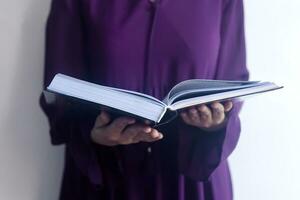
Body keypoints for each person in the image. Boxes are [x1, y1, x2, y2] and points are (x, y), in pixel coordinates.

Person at [40, 0, 249, 199]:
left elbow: (233, 83)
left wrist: (215, 122)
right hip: (104, 175)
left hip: (193, 176)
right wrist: (92, 133)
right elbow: (58, 92)